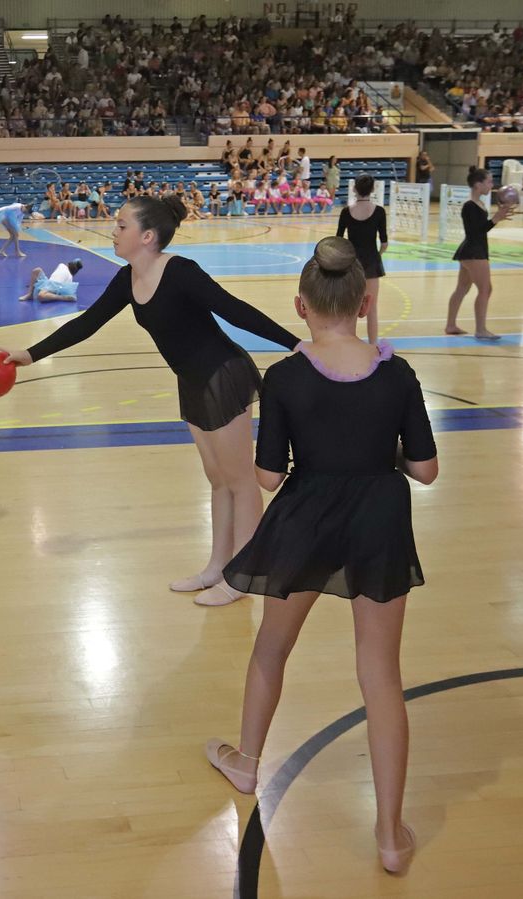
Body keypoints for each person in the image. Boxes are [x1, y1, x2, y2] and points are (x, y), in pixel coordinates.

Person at [204, 237, 438, 877]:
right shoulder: (397, 372)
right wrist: (372, 461)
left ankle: (247, 763)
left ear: (301, 306)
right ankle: (390, 835)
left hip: (306, 519)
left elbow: (268, 478)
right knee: (381, 675)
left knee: (270, 651)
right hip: (379, 522)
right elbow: (426, 469)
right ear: (365, 303)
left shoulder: (283, 377)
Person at [0, 197, 300, 603]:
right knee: (217, 479)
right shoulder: (127, 279)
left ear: (147, 236)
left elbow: (234, 310)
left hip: (223, 375)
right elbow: (87, 323)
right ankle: (217, 567)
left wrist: (296, 344)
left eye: (121, 225)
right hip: (191, 382)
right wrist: (31, 354)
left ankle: (243, 576)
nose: (113, 229)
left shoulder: (180, 272)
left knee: (240, 481)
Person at [444, 168, 510, 340]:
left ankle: (451, 325)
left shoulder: (479, 204)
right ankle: (481, 329)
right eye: (489, 181)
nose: (492, 185)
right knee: (486, 289)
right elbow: (474, 232)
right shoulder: (469, 206)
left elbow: (481, 229)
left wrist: (496, 218)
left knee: (462, 288)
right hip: (474, 252)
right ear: (478, 184)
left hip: (473, 250)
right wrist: (495, 219)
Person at [335, 176, 388, 344]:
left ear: (354, 189)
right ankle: (373, 345)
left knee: (350, 308)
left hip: (351, 264)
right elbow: (385, 242)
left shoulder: (346, 212)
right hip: (372, 263)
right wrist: (377, 254)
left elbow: (338, 240)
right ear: (373, 190)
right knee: (371, 309)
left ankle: (349, 343)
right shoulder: (379, 211)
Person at [18, 259, 84, 302]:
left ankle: (64, 298)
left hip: (53, 287)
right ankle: (30, 294)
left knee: (41, 296)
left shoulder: (67, 273)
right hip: (48, 283)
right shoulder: (64, 268)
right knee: (37, 270)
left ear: (69, 264)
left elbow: (62, 287)